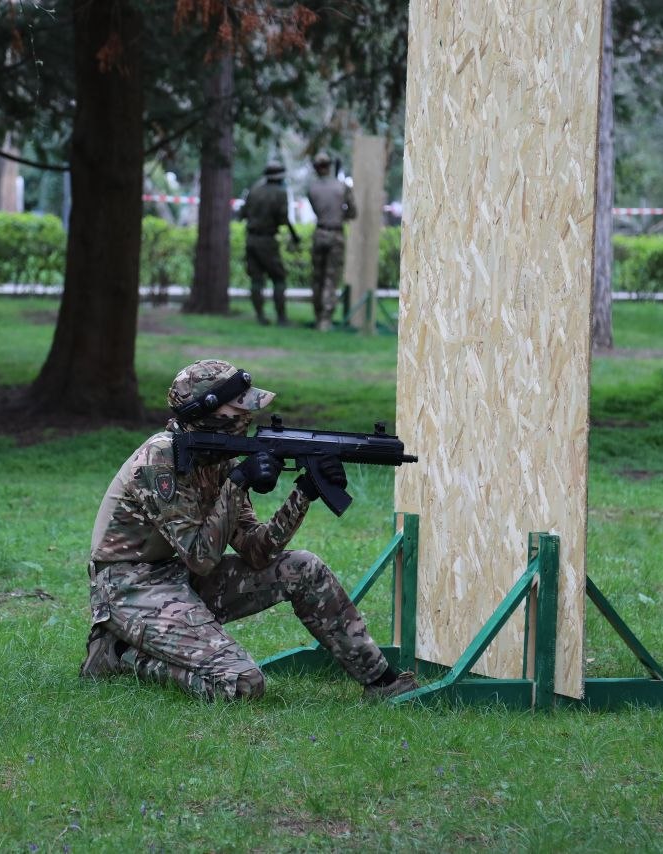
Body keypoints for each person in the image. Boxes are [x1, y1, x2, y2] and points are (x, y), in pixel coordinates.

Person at [80, 359, 419, 702]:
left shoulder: (220, 458)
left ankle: (382, 684)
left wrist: (305, 493)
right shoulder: (159, 461)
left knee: (302, 567)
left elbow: (257, 551)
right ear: (208, 409)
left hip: (177, 577)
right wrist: (237, 484)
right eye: (239, 406)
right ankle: (119, 655)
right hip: (129, 587)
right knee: (240, 683)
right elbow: (201, 558)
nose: (249, 415)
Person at [239, 162, 300, 326]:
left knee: (256, 279)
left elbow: (242, 213)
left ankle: (260, 316)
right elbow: (283, 218)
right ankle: (281, 318)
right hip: (267, 240)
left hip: (251, 239)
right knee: (279, 278)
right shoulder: (280, 193)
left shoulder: (254, 190)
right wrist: (294, 236)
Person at [306, 152, 357, 332]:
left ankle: (317, 313)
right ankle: (325, 320)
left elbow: (316, 208)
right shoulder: (342, 187)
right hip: (336, 234)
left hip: (319, 232)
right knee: (330, 277)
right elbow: (353, 212)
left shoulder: (311, 188)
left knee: (317, 276)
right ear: (329, 166)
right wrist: (339, 215)